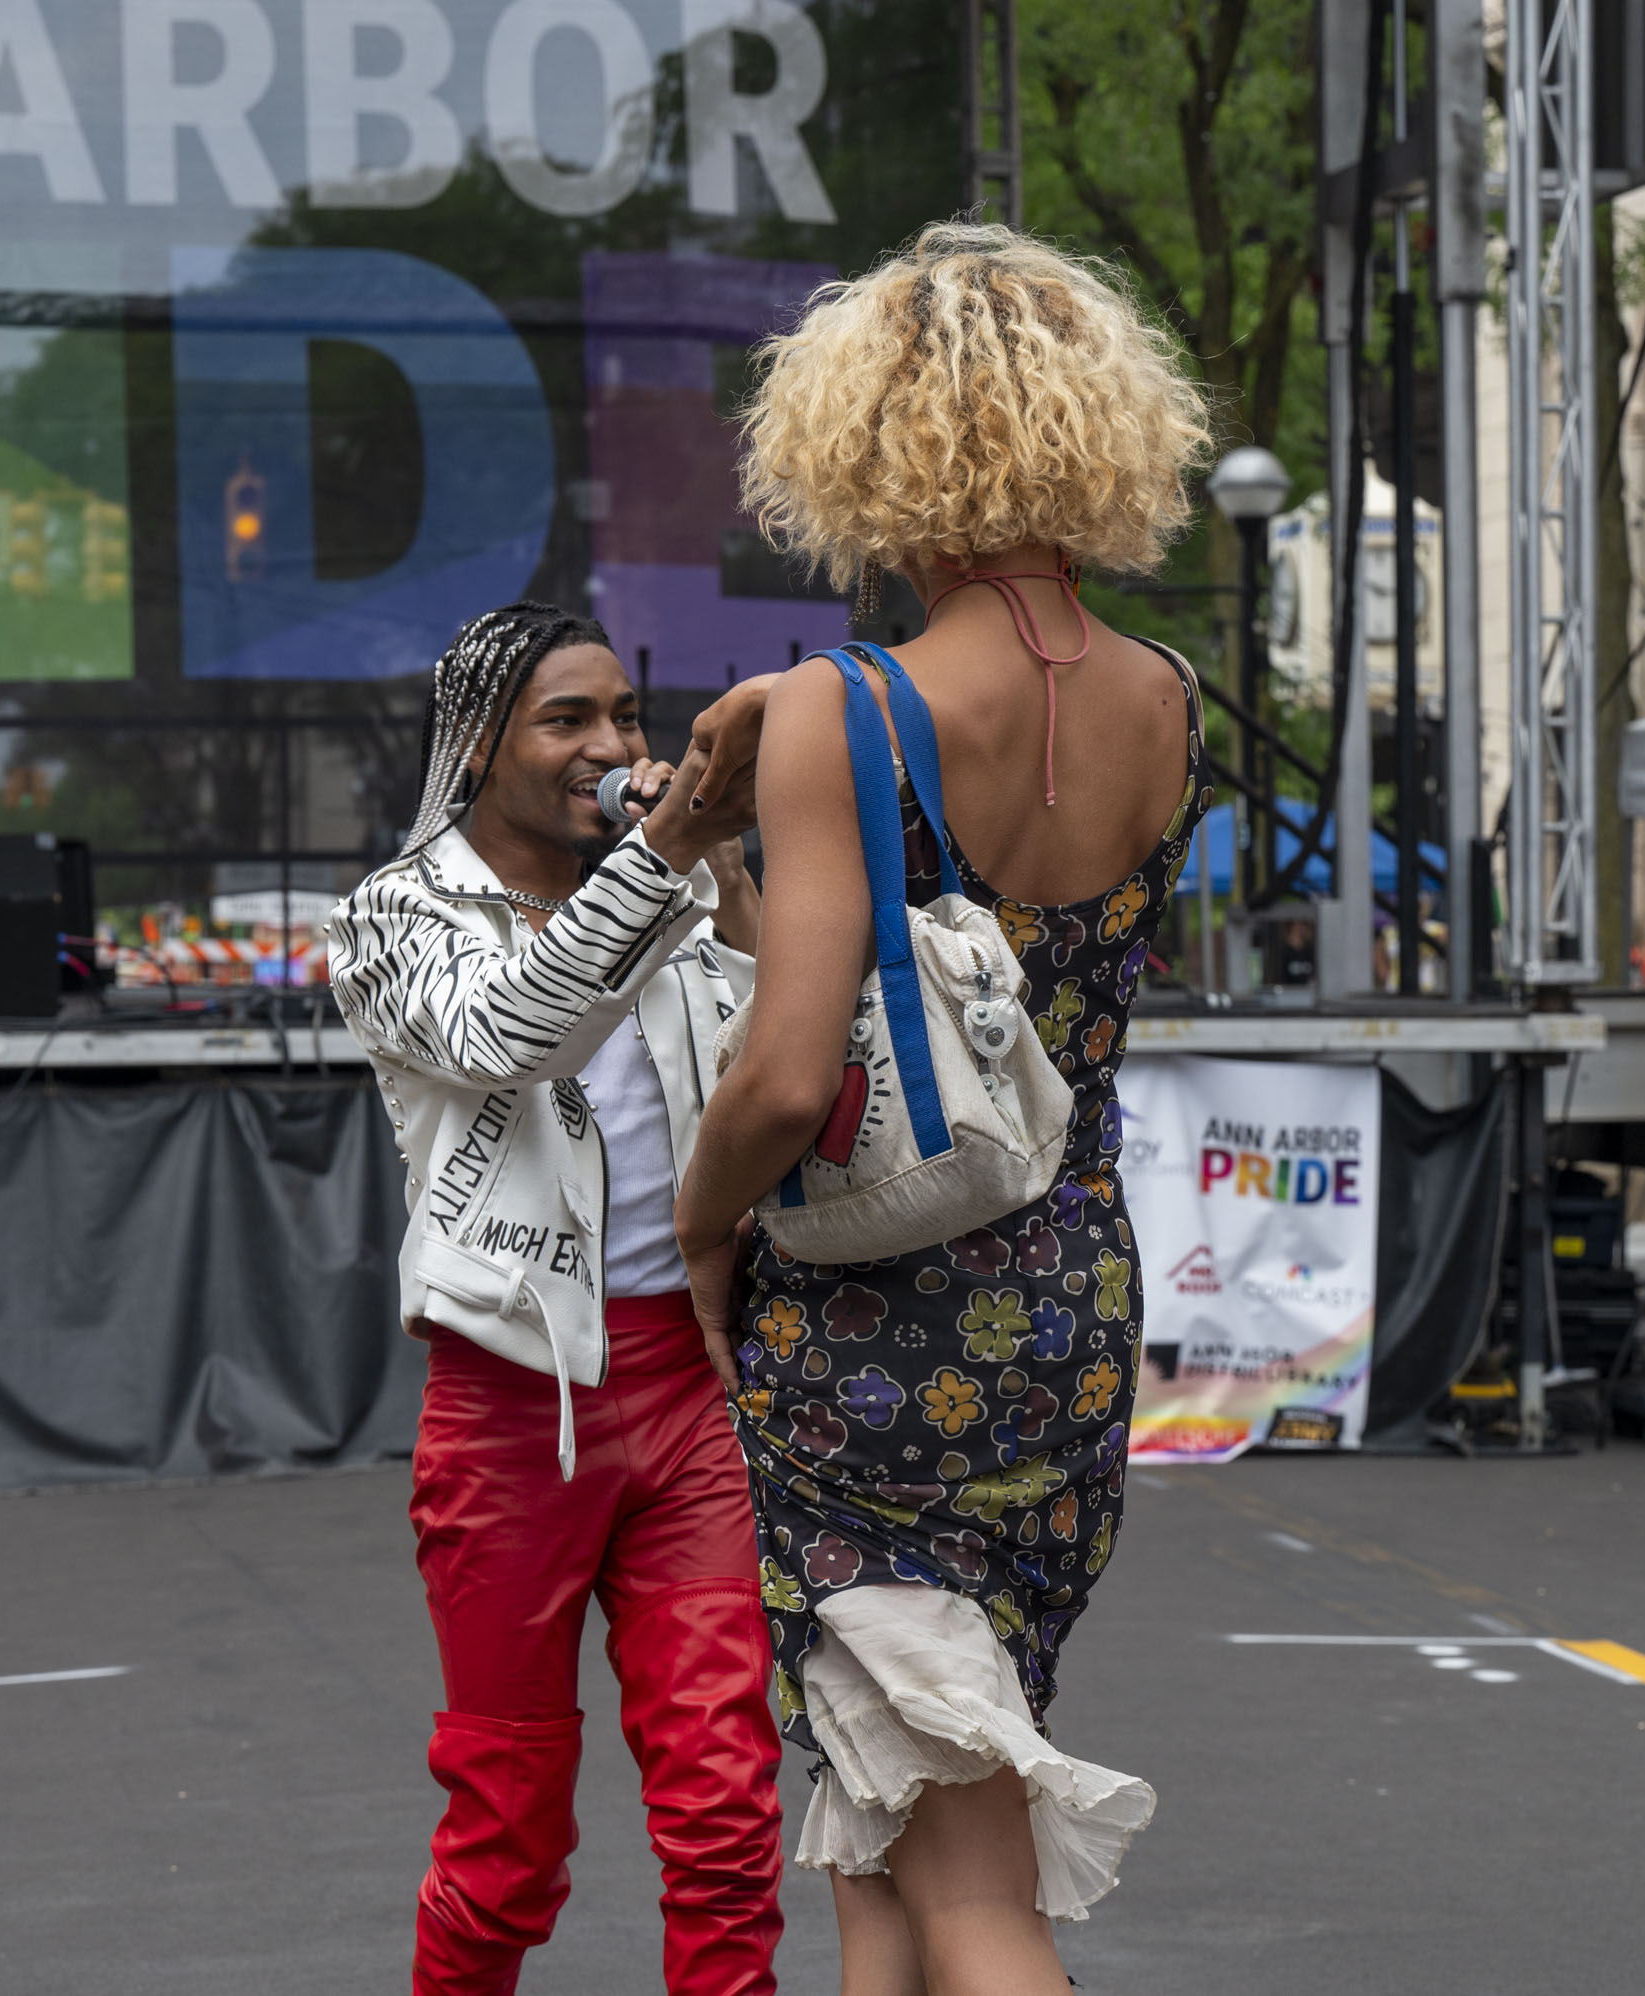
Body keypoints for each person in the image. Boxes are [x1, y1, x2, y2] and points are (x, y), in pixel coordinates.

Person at [672, 224, 1212, 1994]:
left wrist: (702, 1227)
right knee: (892, 1812)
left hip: (880, 1320)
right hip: (1070, 1292)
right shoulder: (1165, 704)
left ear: (874, 446)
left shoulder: (852, 707)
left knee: (967, 1869)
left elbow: (787, 1068)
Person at [325, 602, 783, 1996]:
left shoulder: (672, 877)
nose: (611, 746)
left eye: (625, 717)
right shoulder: (391, 915)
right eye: (566, 721)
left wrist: (726, 868)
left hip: (690, 1386)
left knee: (726, 1806)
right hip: (515, 1407)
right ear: (478, 753)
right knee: (506, 1840)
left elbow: (776, 1038)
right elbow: (515, 1031)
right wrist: (660, 855)